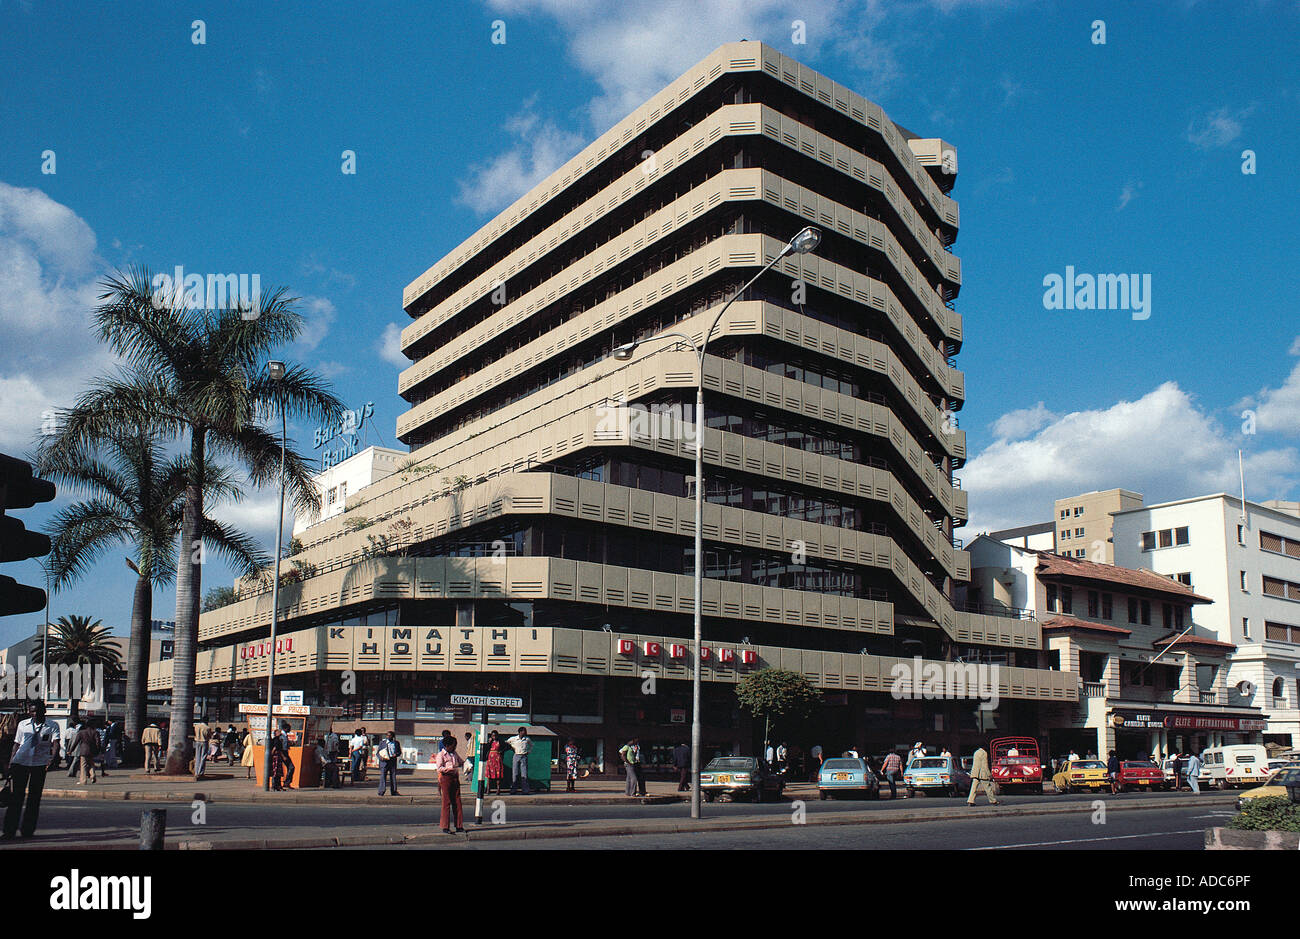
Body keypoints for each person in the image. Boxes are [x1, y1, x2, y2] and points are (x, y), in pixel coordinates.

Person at [3, 700, 60, 840]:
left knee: (34, 799)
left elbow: (56, 744)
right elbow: (16, 745)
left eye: (37, 711)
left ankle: (27, 830)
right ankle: (9, 831)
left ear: (44, 711)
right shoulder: (23, 724)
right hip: (20, 763)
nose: (34, 714)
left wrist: (52, 759)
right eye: (32, 711)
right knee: (17, 797)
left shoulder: (52, 725)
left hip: (39, 765)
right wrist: (11, 763)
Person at [436, 736, 465, 833]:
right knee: (446, 802)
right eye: (453, 746)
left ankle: (459, 825)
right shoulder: (441, 755)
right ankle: (445, 826)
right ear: (447, 746)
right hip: (446, 778)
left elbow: (460, 762)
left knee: (457, 802)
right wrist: (448, 769)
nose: (454, 748)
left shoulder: (454, 754)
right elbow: (439, 768)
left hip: (455, 778)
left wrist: (465, 764)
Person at [506, 727, 532, 795]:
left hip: (524, 756)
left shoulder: (527, 739)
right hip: (516, 755)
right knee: (515, 773)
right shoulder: (513, 739)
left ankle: (525, 790)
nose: (525, 733)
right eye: (524, 731)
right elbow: (507, 743)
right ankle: (513, 789)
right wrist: (512, 748)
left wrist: (528, 752)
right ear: (520, 732)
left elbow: (531, 745)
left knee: (524, 774)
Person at [75, 720, 101, 785]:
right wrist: (98, 750)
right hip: (92, 751)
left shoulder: (81, 732)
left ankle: (83, 780)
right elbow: (98, 742)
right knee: (91, 764)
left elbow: (76, 742)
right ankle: (93, 776)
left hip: (83, 750)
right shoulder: (96, 732)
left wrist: (70, 750)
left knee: (83, 766)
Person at [377, 731, 401, 796]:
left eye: (390, 735)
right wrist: (380, 758)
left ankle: (394, 791)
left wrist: (396, 754)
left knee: (393, 776)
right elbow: (378, 753)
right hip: (384, 762)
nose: (388, 737)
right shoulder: (382, 743)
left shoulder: (396, 743)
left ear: (393, 736)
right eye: (387, 735)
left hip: (392, 761)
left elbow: (399, 752)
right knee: (383, 776)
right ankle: (381, 791)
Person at [275, 721, 296, 788]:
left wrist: (290, 743)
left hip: (285, 752)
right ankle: (286, 782)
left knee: (289, 767)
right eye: (289, 728)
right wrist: (283, 756)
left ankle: (286, 782)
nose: (290, 730)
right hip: (283, 753)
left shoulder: (285, 736)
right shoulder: (282, 736)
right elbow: (279, 747)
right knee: (291, 767)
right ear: (286, 728)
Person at [485, 730, 504, 795]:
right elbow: (486, 748)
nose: (494, 737)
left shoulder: (500, 742)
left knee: (498, 775)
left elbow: (506, 746)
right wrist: (489, 742)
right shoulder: (490, 742)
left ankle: (498, 789)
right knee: (489, 775)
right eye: (493, 736)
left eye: (495, 735)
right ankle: (488, 789)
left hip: (497, 759)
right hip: (490, 759)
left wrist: (501, 751)